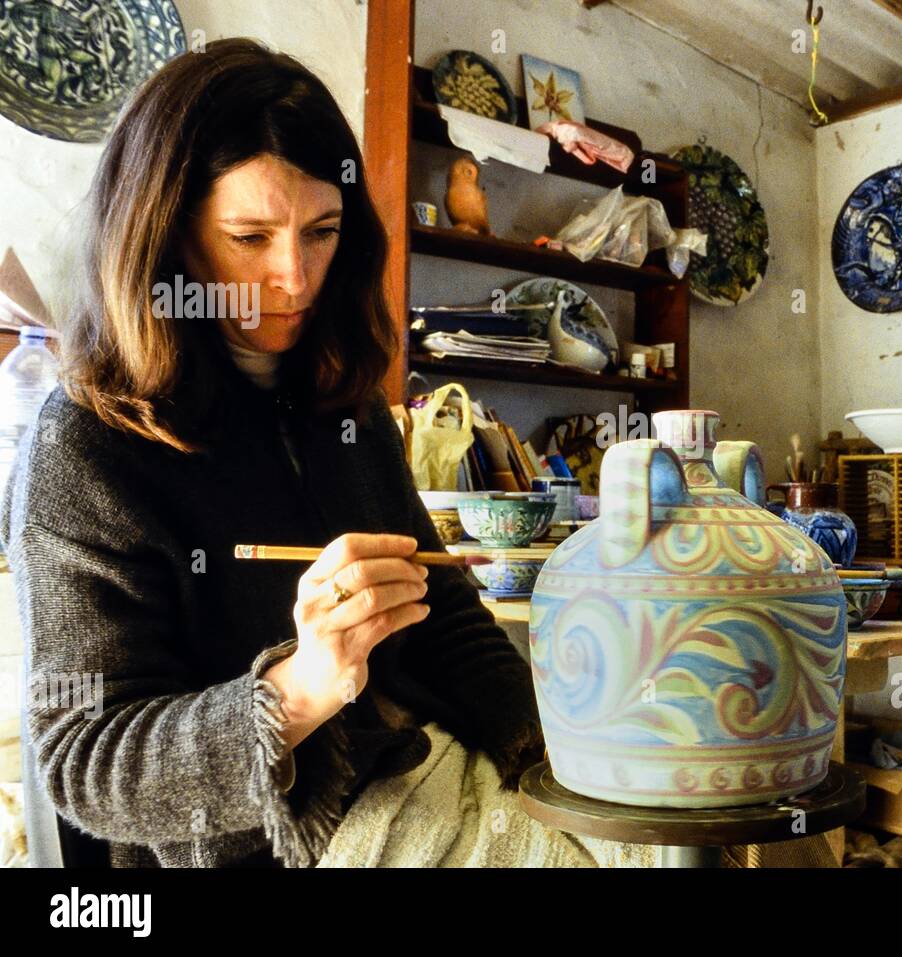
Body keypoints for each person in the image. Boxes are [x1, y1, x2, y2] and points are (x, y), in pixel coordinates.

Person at [0, 38, 545, 867]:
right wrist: (298, 689)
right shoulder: (88, 444)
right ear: (167, 233)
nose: (294, 278)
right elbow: (86, 761)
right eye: (250, 237)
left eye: (322, 230)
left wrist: (553, 751)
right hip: (265, 844)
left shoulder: (341, 399)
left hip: (409, 774)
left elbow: (443, 616)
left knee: (677, 828)